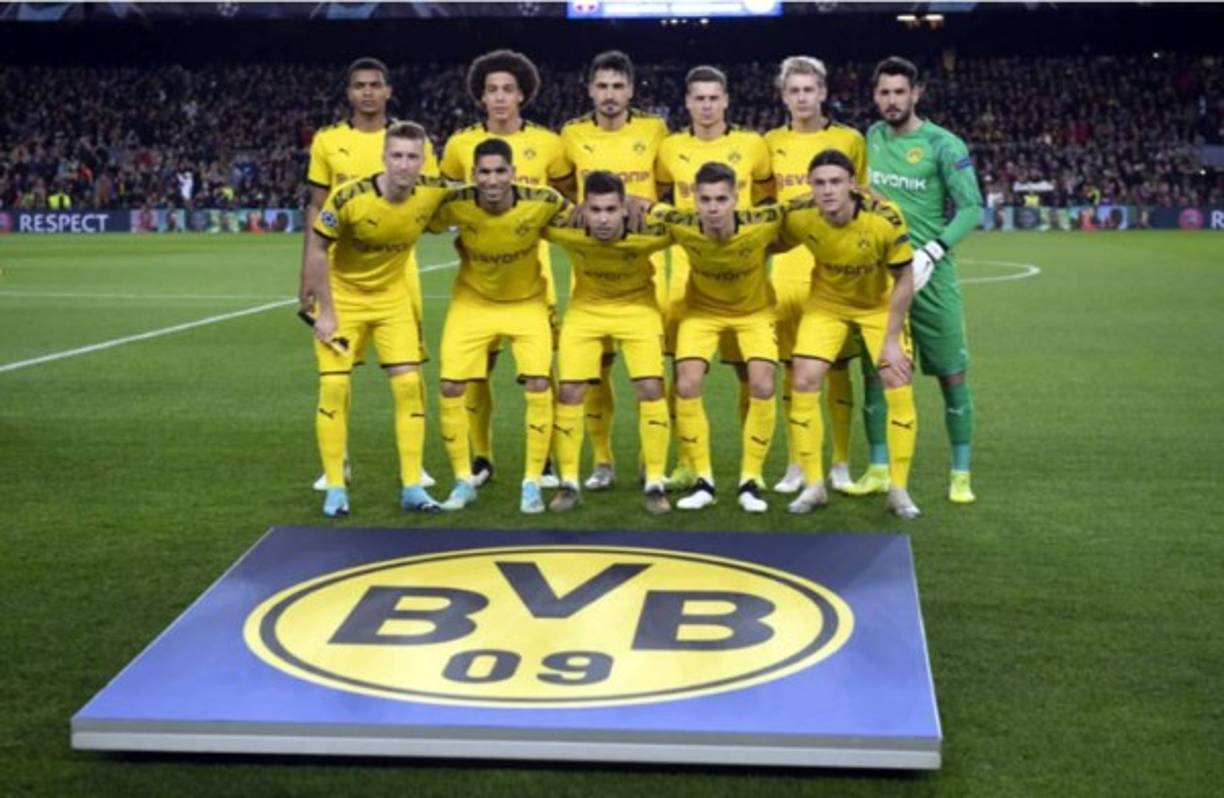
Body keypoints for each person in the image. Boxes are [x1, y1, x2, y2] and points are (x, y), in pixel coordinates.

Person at [303, 57, 442, 493]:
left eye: (375, 85)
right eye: (359, 85)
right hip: (341, 271)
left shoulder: (413, 138)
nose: (367, 92)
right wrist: (306, 276)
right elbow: (315, 208)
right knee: (338, 373)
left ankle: (414, 468)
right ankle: (336, 461)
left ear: (388, 91)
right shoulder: (328, 141)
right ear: (349, 93)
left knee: (409, 371)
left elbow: (432, 199)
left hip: (400, 270)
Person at [440, 49, 574, 490]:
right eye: (491, 90)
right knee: (477, 371)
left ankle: (548, 460)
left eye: (508, 90)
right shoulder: (459, 146)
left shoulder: (550, 144)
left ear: (523, 95)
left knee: (540, 371)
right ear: (480, 96)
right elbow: (446, 199)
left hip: (533, 279)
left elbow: (565, 202)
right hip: (478, 278)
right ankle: (481, 457)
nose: (500, 98)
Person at [855, 56, 984, 504]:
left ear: (916, 94)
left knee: (952, 373)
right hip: (882, 277)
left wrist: (933, 250)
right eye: (884, 92)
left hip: (932, 275)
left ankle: (961, 473)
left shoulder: (943, 145)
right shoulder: (869, 138)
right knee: (876, 371)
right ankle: (876, 467)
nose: (891, 101)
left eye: (899, 92)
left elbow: (972, 207)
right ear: (875, 96)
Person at [779, 149, 921, 519]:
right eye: (820, 183)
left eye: (836, 182)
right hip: (826, 304)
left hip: (878, 306)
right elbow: (759, 231)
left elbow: (904, 277)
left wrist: (891, 340)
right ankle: (814, 486)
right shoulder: (798, 214)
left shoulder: (885, 219)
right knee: (804, 380)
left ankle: (899, 490)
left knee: (896, 378)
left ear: (853, 185)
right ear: (811, 186)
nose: (827, 190)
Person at [655, 65, 773, 492]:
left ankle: (751, 468)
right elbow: (657, 196)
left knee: (749, 373)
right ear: (687, 103)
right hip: (686, 277)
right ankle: (689, 462)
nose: (706, 106)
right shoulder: (669, 148)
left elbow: (766, 201)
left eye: (713, 97)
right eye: (698, 98)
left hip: (742, 279)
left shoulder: (752, 145)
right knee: (682, 373)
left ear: (726, 100)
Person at [557, 49, 669, 492]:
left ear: (631, 89)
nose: (609, 95)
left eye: (618, 86)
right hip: (590, 267)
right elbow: (563, 192)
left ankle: (649, 462)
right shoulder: (571, 134)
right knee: (594, 370)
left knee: (649, 372)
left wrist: (647, 206)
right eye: (601, 86)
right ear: (589, 90)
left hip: (646, 263)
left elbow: (668, 189)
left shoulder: (655, 130)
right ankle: (602, 461)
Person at [764, 55, 868, 497]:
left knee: (838, 369)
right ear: (784, 95)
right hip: (786, 271)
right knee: (792, 371)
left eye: (810, 90)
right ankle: (797, 462)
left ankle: (840, 461)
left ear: (823, 91)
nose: (802, 98)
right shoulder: (769, 143)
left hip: (837, 272)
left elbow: (861, 200)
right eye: (794, 90)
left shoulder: (850, 139)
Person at [544, 171, 673, 514]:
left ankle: (656, 482)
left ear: (624, 209)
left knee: (650, 388)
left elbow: (685, 222)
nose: (603, 218)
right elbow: (530, 216)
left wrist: (652, 205)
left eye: (611, 209)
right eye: (596, 209)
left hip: (638, 311)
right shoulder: (567, 231)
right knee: (570, 391)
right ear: (584, 208)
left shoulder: (649, 235)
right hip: (586, 312)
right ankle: (568, 483)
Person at [662, 162, 782, 514]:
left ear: (736, 199)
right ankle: (704, 480)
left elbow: (802, 211)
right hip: (700, 314)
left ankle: (750, 480)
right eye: (706, 199)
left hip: (754, 314)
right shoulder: (681, 225)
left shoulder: (762, 223)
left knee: (762, 385)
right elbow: (643, 209)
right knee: (686, 384)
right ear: (694, 200)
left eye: (721, 199)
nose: (713, 207)